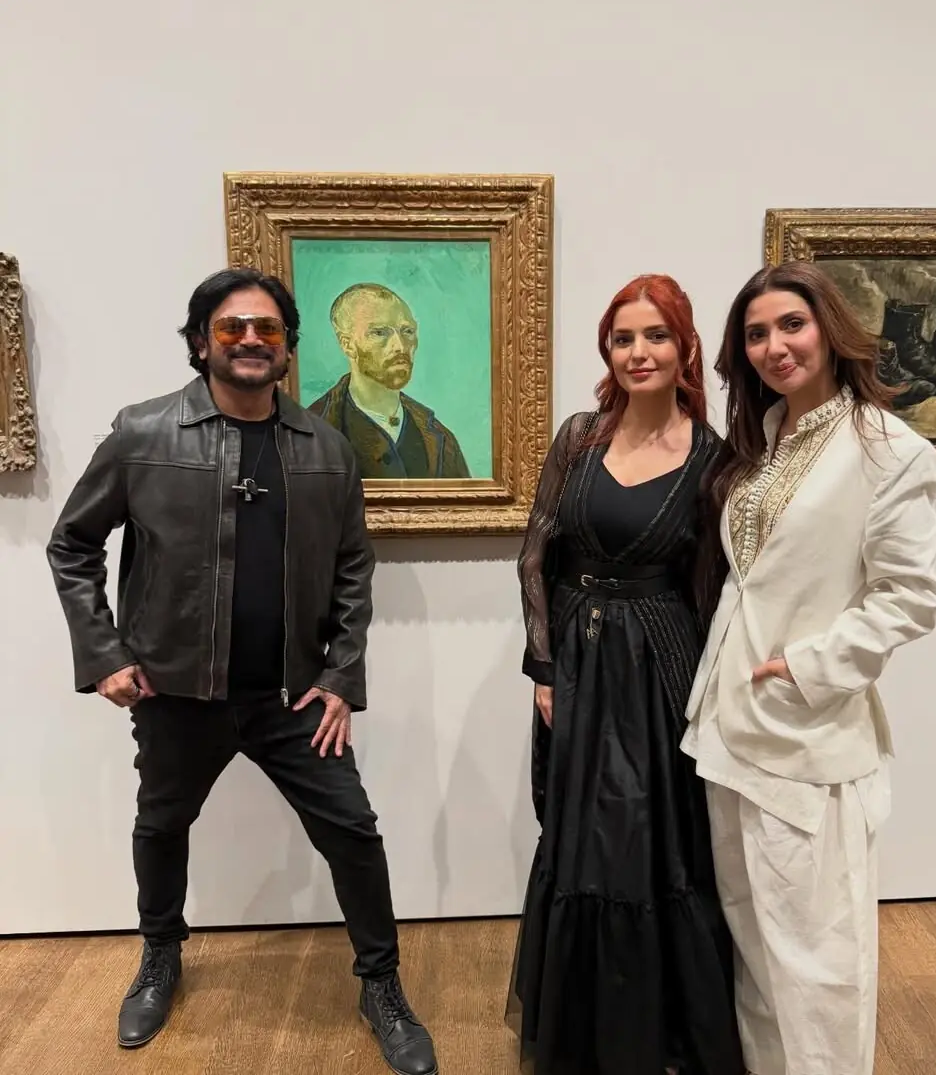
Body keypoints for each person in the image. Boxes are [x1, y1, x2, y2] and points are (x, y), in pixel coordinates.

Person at [45, 268, 437, 1075]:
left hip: (294, 696)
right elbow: (73, 544)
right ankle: (160, 954)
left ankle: (382, 985)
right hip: (176, 692)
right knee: (162, 825)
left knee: (353, 831)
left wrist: (341, 675)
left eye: (267, 328)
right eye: (232, 328)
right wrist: (105, 653)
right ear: (201, 342)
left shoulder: (327, 449)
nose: (251, 340)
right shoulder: (142, 433)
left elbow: (354, 569)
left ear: (289, 347)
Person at [682, 261, 936, 1075]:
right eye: (756, 333)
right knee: (757, 955)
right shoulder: (763, 441)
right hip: (728, 733)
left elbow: (912, 597)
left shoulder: (890, 449)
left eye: (791, 325)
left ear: (830, 330)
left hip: (809, 740)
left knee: (818, 967)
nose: (775, 346)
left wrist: (806, 667)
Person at [507, 274, 744, 1075]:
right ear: (607, 350)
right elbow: (536, 554)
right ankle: (580, 1027)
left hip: (660, 665)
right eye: (623, 338)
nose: (638, 352)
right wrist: (543, 667)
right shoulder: (580, 436)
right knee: (578, 832)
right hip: (576, 656)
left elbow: (711, 587)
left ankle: (657, 1027)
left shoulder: (714, 458)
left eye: (655, 336)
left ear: (685, 347)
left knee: (649, 836)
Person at [307, 283, 470, 479]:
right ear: (347, 345)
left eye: (407, 331)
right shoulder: (312, 430)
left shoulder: (440, 438)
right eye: (379, 333)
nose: (400, 346)